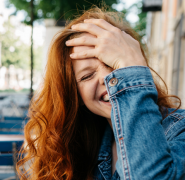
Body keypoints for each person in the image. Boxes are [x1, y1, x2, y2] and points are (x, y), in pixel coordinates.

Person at [17, 7, 185, 180]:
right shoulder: (81, 144)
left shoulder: (180, 129)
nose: (106, 77)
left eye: (115, 64)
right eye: (87, 76)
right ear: (76, 96)